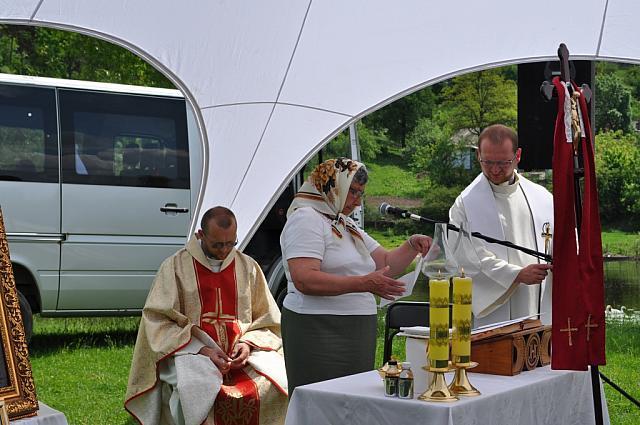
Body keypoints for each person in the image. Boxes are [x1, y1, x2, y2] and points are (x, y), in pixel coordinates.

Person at [280, 157, 432, 395]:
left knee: (352, 406)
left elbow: (385, 263)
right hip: (318, 329)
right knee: (321, 405)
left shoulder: (344, 223)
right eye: (352, 192)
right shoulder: (306, 218)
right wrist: (363, 283)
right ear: (333, 185)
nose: (357, 201)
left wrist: (412, 244)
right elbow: (304, 279)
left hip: (357, 330)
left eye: (361, 194)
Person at [125, 206, 288, 425]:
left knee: (277, 382)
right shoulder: (175, 268)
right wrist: (202, 349)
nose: (224, 250)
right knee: (193, 389)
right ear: (200, 235)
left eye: (231, 243)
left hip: (242, 353)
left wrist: (248, 344)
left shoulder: (247, 267)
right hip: (191, 351)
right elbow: (157, 320)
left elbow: (267, 318)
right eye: (217, 244)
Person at [449, 124, 553, 328]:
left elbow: (566, 243)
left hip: (537, 303)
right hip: (492, 312)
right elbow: (466, 259)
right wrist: (516, 275)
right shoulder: (465, 205)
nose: (495, 170)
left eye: (503, 163)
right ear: (478, 154)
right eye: (487, 162)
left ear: (518, 156)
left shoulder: (542, 198)